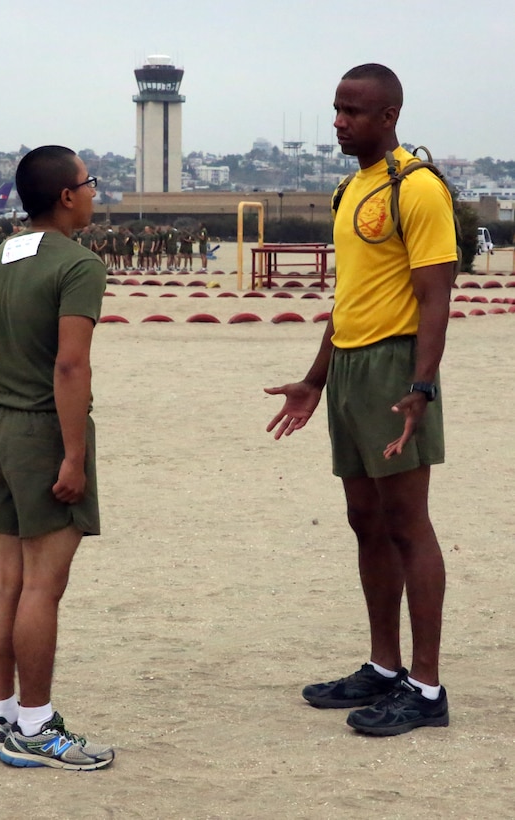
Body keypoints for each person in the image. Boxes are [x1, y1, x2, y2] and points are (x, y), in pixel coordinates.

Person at [265, 64, 457, 737]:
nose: (341, 122)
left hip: (394, 369)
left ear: (390, 115)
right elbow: (351, 299)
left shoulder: (419, 188)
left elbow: (436, 294)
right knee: (364, 521)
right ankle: (383, 667)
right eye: (337, 109)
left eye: (354, 112)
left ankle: (426, 689)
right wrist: (316, 378)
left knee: (408, 524)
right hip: (348, 367)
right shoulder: (353, 187)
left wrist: (421, 384)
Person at [0, 145, 115, 770]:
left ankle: (1, 717)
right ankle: (37, 726)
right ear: (67, 196)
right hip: (44, 433)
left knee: (5, 579)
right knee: (43, 587)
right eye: (90, 183)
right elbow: (70, 363)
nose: (95, 193)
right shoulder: (79, 265)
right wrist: (73, 455)